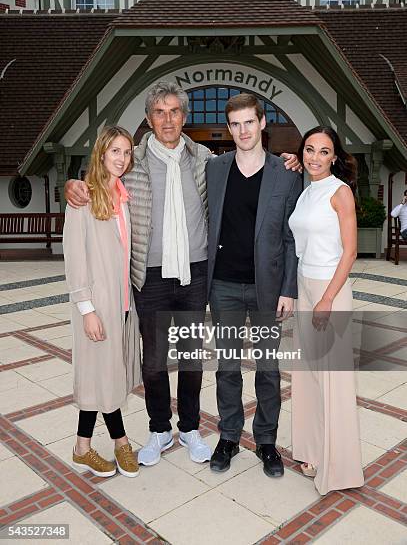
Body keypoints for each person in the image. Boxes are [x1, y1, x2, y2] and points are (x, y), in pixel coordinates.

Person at [65, 82, 301, 468]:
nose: (168, 119)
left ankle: (190, 428)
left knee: (192, 360)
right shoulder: (133, 162)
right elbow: (100, 174)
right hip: (151, 276)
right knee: (154, 361)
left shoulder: (205, 160)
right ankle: (160, 429)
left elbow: (259, 177)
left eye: (175, 111)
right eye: (159, 112)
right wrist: (73, 185)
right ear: (148, 119)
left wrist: (291, 160)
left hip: (195, 273)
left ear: (185, 117)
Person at [206, 93, 302, 477]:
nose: (243, 130)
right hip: (224, 286)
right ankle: (228, 436)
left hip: (268, 288)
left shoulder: (286, 173)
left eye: (250, 122)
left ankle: (266, 442)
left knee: (268, 369)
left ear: (263, 123)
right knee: (227, 368)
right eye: (236, 124)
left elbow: (293, 238)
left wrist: (289, 289)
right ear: (229, 129)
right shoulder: (215, 169)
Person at [288, 126, 364, 495]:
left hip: (328, 291)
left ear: (334, 156)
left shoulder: (340, 192)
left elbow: (349, 251)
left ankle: (339, 469)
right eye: (309, 150)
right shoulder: (307, 192)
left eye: (323, 151)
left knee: (333, 380)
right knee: (309, 376)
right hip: (305, 286)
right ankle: (315, 451)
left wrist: (327, 299)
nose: (315, 157)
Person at [63, 126, 141, 478]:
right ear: (101, 154)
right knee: (104, 377)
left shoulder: (123, 199)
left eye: (126, 152)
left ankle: (82, 447)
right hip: (96, 307)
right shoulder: (84, 198)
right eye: (115, 151)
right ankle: (121, 442)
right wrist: (87, 309)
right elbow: (74, 258)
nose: (121, 159)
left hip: (122, 305)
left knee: (103, 377)